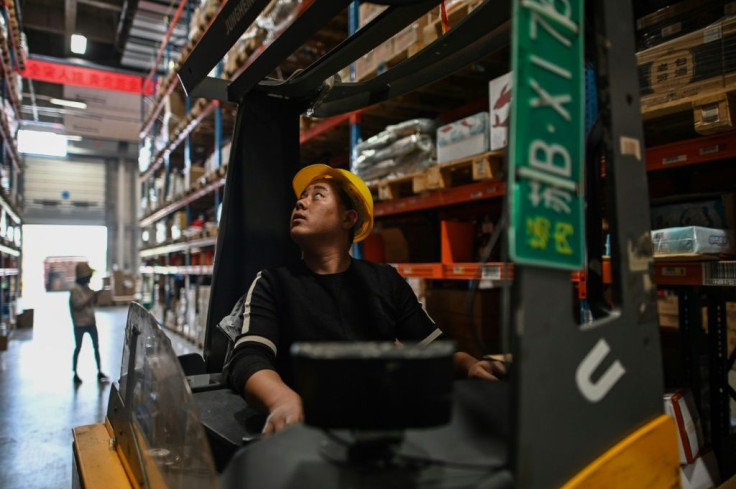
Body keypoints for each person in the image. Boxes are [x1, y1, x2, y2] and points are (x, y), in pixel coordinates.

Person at [225, 164, 505, 435]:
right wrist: (283, 401)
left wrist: (470, 365)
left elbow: (432, 346)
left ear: (349, 218)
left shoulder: (384, 281)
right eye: (301, 197)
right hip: (306, 430)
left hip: (378, 428)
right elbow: (249, 357)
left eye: (317, 195)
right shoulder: (273, 283)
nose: (301, 203)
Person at [69, 262, 108, 384]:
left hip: (91, 322)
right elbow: (78, 305)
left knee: (96, 347)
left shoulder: (87, 288)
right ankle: (75, 372)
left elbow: (92, 304)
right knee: (78, 347)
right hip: (80, 324)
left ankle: (99, 370)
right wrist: (90, 297)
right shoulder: (75, 290)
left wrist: (96, 296)